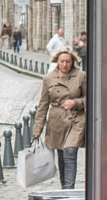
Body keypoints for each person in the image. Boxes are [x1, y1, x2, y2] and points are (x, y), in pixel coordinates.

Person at [33, 50, 87, 189]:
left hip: (76, 119)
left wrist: (76, 103)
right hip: (57, 121)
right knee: (62, 156)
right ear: (57, 62)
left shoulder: (81, 76)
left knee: (70, 151)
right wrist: (37, 128)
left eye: (68, 61)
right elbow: (43, 104)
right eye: (62, 61)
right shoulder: (49, 78)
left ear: (73, 62)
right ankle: (64, 186)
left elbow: (89, 97)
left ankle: (69, 189)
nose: (65, 64)